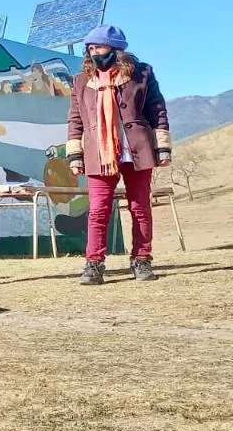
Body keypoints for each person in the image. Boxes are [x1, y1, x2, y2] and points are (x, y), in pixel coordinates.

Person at [67, 25, 170, 284]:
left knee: (140, 208)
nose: (93, 52)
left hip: (137, 151)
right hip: (99, 153)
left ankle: (142, 260)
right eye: (90, 48)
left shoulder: (142, 74)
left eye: (98, 47)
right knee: (98, 211)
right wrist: (75, 155)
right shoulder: (81, 81)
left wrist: (163, 147)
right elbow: (75, 120)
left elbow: (157, 110)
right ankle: (94, 264)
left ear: (115, 48)